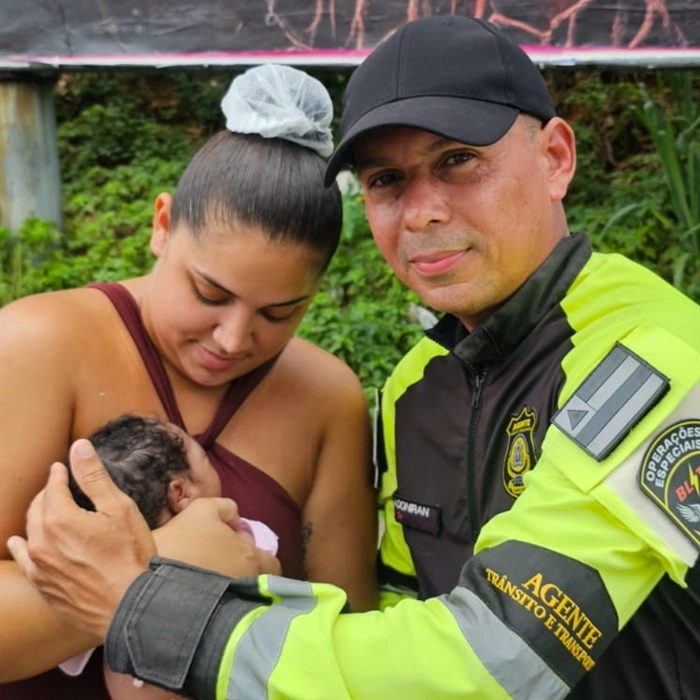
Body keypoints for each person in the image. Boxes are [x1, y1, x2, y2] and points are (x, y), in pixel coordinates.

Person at [8, 14, 700, 700]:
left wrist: (158, 609)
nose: (422, 211)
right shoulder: (414, 390)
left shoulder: (653, 356)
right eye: (387, 181)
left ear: (555, 158)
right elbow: (393, 616)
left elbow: (500, 656)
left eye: (458, 160)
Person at [0, 63, 378, 699]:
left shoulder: (327, 399)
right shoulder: (37, 344)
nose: (233, 340)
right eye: (210, 293)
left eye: (279, 313)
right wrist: (170, 573)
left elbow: (347, 638)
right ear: (161, 225)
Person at [63, 412, 278, 700]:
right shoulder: (234, 537)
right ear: (180, 492)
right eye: (204, 458)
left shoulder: (106, 574)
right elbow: (272, 568)